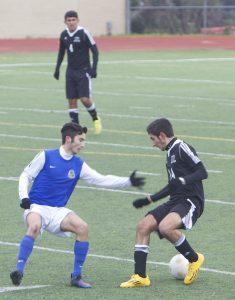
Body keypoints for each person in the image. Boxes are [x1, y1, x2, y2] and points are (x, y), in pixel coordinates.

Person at [10, 122, 145, 288]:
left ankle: (76, 276)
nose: (83, 144)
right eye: (80, 140)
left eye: (84, 140)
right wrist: (24, 197)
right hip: (36, 207)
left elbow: (100, 179)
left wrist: (128, 181)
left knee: (82, 227)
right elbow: (25, 175)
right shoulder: (46, 156)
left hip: (58, 211)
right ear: (68, 139)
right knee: (34, 226)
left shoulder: (78, 164)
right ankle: (19, 271)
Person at [120, 118, 208, 288]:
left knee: (165, 227)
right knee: (143, 226)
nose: (153, 144)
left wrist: (183, 180)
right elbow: (173, 185)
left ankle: (195, 259)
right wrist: (149, 199)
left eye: (152, 139)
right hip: (175, 200)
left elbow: (202, 172)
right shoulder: (169, 152)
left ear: (161, 135)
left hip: (191, 200)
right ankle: (140, 276)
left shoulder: (182, 147)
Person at [53, 10, 102, 134]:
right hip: (70, 72)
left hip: (83, 71)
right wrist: (57, 69)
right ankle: (77, 128)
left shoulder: (84, 33)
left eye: (73, 20)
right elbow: (61, 53)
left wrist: (94, 68)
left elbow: (95, 51)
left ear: (77, 20)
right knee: (72, 100)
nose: (71, 22)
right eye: (69, 20)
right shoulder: (63, 34)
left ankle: (95, 118)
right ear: (65, 22)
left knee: (85, 99)